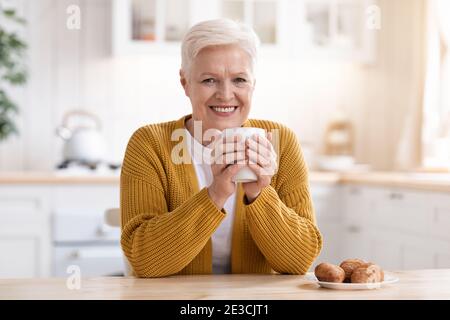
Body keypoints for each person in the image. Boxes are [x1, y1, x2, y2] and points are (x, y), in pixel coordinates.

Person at [120, 19, 322, 277]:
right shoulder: (149, 144)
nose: (226, 95)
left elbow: (299, 262)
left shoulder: (280, 141)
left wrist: (259, 193)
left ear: (253, 84)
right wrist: (215, 194)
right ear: (185, 83)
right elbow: (144, 261)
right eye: (209, 80)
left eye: (239, 80)